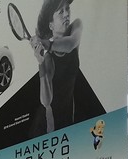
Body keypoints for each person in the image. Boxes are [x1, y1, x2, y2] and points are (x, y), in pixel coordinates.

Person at [31, 0, 83, 133]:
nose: (66, 14)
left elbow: (70, 44)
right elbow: (45, 101)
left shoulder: (75, 27)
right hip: (51, 128)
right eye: (61, 11)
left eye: (67, 9)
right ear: (51, 25)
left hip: (71, 122)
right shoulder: (48, 58)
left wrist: (44, 43)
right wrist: (41, 63)